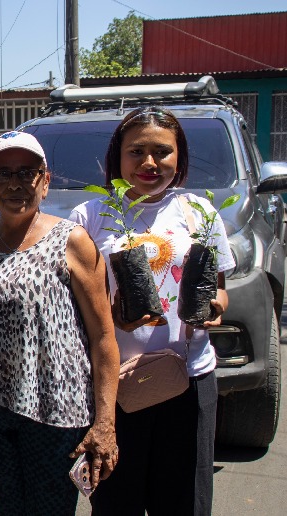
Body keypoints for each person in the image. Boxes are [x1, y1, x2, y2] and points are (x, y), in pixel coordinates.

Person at [0, 131, 120, 515]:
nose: (15, 184)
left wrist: (105, 423)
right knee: (10, 509)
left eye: (27, 173)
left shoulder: (72, 241)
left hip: (56, 409)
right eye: (2, 173)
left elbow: (103, 336)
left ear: (45, 182)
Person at [69, 106, 233, 515]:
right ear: (116, 158)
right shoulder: (90, 216)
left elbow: (220, 289)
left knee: (184, 501)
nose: (149, 163)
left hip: (188, 376)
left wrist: (215, 307)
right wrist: (114, 313)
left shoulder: (199, 212)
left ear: (179, 158)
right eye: (136, 151)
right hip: (116, 387)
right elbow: (77, 305)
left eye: (162, 152)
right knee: (116, 501)